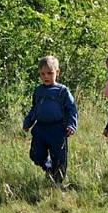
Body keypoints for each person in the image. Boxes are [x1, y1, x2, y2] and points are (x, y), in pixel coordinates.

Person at [23, 55, 78, 183]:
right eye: (42, 74)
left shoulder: (62, 91)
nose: (46, 76)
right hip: (40, 128)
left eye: (50, 73)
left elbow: (71, 108)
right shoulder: (38, 91)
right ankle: (48, 168)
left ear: (57, 72)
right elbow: (34, 109)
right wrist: (28, 122)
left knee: (59, 157)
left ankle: (57, 182)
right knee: (36, 154)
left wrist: (71, 125)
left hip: (57, 128)